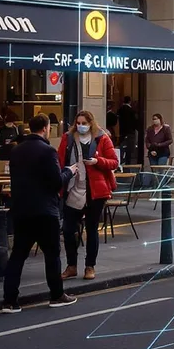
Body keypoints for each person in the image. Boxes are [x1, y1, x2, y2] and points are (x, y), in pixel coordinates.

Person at [2, 114, 76, 310]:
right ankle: (56, 295)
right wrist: (70, 171)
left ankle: (10, 301)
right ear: (45, 128)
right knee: (52, 255)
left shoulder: (16, 151)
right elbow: (56, 181)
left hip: (22, 210)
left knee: (18, 255)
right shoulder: (48, 151)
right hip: (45, 211)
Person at [57, 110, 118, 281]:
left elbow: (114, 161)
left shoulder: (102, 138)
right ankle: (71, 266)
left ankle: (90, 266)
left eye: (84, 123)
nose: (81, 126)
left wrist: (98, 161)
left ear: (91, 123)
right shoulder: (67, 139)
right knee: (68, 230)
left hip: (95, 191)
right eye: (78, 123)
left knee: (92, 230)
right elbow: (60, 160)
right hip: (73, 188)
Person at [116, 95, 139, 165]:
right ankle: (128, 164)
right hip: (130, 132)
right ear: (130, 101)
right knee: (129, 151)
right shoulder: (132, 111)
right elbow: (135, 122)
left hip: (122, 133)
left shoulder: (120, 110)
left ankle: (122, 162)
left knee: (122, 150)